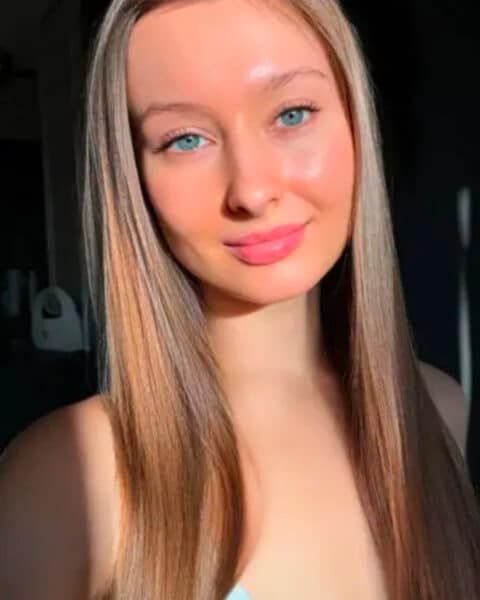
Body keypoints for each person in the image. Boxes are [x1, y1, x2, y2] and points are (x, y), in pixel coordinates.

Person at [0, 0, 479, 598]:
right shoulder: (68, 479)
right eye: (186, 140)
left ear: (357, 121)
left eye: (292, 114)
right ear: (135, 180)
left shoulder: (438, 413)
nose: (250, 191)